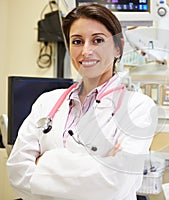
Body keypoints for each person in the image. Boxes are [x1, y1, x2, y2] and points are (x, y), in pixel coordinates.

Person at [7, 4, 157, 200]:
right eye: (77, 41)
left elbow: (115, 184)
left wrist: (42, 164)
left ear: (118, 48)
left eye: (98, 40)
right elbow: (16, 172)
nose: (86, 51)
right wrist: (97, 165)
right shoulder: (47, 102)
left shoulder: (139, 107)